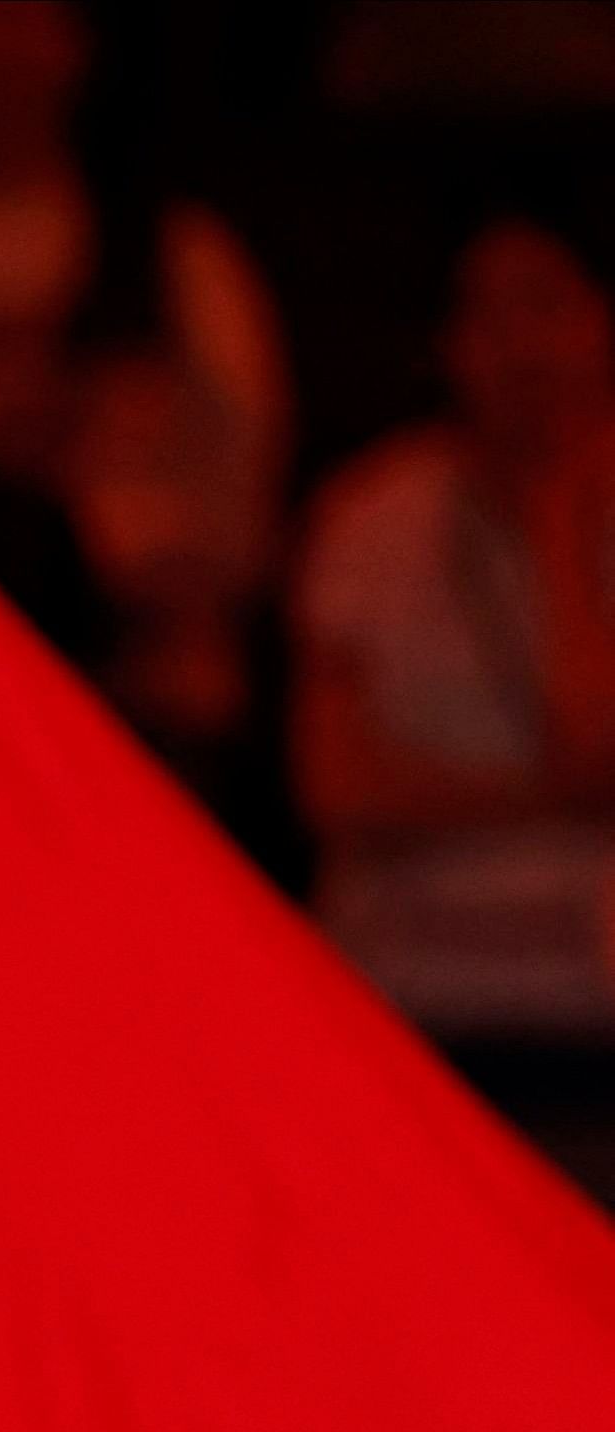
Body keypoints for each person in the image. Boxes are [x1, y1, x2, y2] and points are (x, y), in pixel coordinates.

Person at [292, 216, 615, 1036]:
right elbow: (337, 783)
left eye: (545, 304)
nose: (521, 348)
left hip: (592, 995)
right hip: (407, 993)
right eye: (488, 318)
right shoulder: (372, 514)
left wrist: (558, 521)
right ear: (447, 345)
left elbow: (593, 743)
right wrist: (554, 800)